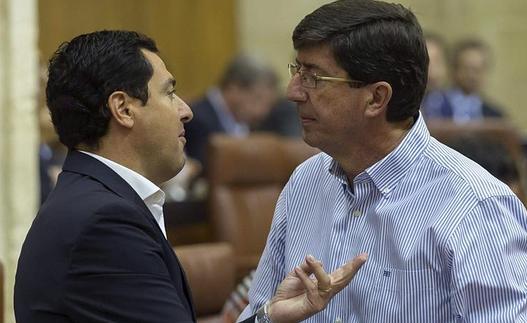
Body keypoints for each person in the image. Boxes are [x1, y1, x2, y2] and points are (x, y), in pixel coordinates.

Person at [14, 30, 367, 323]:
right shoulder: (103, 223)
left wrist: (269, 315)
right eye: (169, 92)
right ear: (123, 109)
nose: (186, 110)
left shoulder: (91, 199)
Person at [241, 1, 527, 322]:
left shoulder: (475, 206)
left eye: (314, 77)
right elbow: (260, 310)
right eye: (297, 71)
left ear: (376, 98)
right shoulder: (304, 183)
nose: (293, 91)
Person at [184, 54, 279, 169]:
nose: (262, 112)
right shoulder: (197, 120)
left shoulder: (247, 121)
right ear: (233, 89)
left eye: (268, 104)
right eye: (257, 99)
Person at [424, 37, 505, 122]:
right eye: (466, 69)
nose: (471, 76)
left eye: (477, 70)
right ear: (454, 69)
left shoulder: (494, 115)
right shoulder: (435, 106)